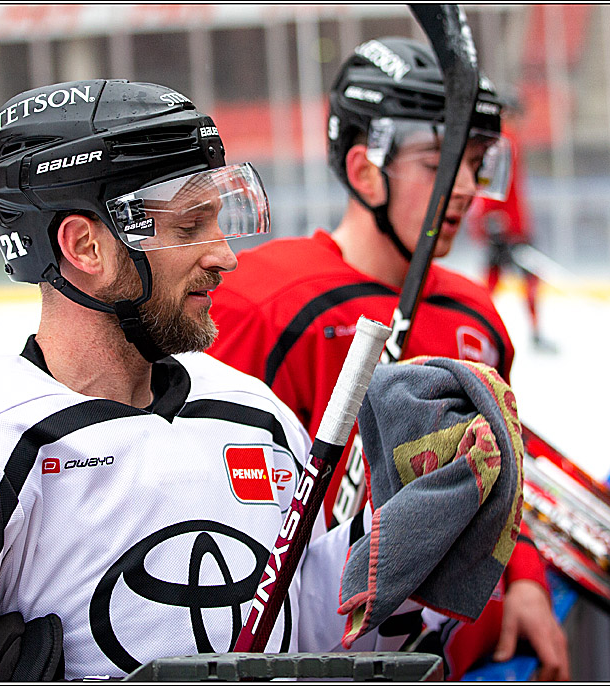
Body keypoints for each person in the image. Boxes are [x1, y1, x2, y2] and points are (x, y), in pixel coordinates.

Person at [0, 79, 435, 680]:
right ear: (85, 247)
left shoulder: (253, 413)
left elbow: (304, 628)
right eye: (189, 227)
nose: (225, 255)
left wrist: (419, 525)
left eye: (218, 222)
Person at [208, 38, 569, 680]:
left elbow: (495, 473)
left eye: (477, 164)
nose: (467, 189)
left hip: (444, 651)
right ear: (365, 170)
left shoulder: (475, 315)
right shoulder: (265, 304)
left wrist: (525, 579)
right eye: (441, 163)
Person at [465, 118, 555, 351]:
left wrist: (483, 217)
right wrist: (488, 215)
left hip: (507, 222)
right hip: (508, 225)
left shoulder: (502, 140)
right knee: (515, 278)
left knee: (497, 278)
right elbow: (492, 183)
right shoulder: (504, 140)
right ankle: (482, 324)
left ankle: (480, 324)